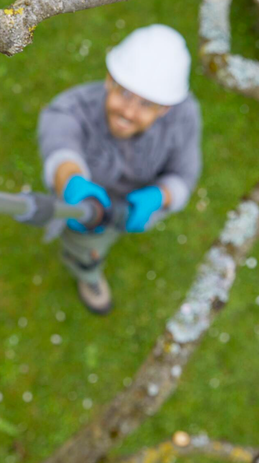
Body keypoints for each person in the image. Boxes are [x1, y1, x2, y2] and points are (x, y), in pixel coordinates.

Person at [36, 24, 202, 314]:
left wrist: (161, 197)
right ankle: (88, 272)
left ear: (165, 109)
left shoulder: (184, 118)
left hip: (136, 207)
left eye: (146, 104)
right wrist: (71, 182)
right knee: (86, 249)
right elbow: (61, 145)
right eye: (123, 92)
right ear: (109, 79)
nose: (128, 111)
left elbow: (184, 174)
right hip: (84, 209)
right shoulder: (72, 108)